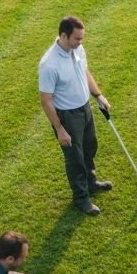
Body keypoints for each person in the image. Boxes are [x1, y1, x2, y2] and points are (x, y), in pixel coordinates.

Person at [38, 16, 113, 216]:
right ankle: (81, 198)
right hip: (67, 116)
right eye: (77, 39)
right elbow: (46, 100)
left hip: (85, 108)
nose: (81, 43)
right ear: (64, 35)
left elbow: (84, 71)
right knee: (75, 158)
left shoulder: (77, 49)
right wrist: (60, 129)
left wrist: (98, 95)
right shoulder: (49, 64)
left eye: (82, 39)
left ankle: (90, 181)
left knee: (90, 146)